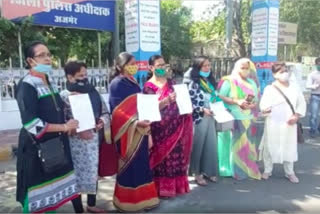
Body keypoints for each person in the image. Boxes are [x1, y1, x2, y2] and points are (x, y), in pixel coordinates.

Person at [15, 41, 79, 213]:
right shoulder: (26, 85)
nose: (48, 59)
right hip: (36, 149)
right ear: (30, 61)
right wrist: (65, 127)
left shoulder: (49, 82)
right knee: (37, 195)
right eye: (41, 55)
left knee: (52, 194)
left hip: (56, 146)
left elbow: (56, 109)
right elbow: (32, 125)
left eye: (49, 54)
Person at [109, 52, 159, 212]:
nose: (134, 66)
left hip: (141, 130)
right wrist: (135, 122)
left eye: (135, 62)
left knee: (142, 165)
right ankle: (127, 202)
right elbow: (117, 112)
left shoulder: (133, 82)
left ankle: (145, 200)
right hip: (128, 131)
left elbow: (140, 104)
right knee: (130, 166)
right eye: (130, 63)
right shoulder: (117, 84)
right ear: (119, 66)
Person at [60, 61, 110, 213]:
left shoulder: (93, 92)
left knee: (92, 172)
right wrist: (77, 130)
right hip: (75, 143)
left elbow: (106, 112)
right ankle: (78, 209)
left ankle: (91, 204)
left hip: (93, 141)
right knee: (76, 175)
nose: (84, 78)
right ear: (70, 77)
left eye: (85, 75)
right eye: (80, 76)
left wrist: (101, 121)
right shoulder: (63, 96)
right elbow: (61, 121)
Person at [143, 55, 193, 197]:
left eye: (163, 65)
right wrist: (165, 101)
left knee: (176, 157)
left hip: (176, 127)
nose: (162, 68)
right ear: (151, 68)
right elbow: (148, 109)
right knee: (162, 160)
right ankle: (161, 189)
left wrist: (186, 106)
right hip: (159, 130)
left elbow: (182, 101)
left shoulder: (172, 82)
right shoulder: (148, 87)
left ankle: (176, 187)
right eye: (158, 65)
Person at [259, 62, 306, 183]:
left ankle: (290, 172)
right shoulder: (270, 89)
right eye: (281, 72)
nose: (285, 74)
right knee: (269, 146)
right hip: (273, 122)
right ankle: (267, 170)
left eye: (286, 71)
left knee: (289, 146)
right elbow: (263, 105)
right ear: (275, 75)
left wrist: (296, 115)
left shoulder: (294, 88)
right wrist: (267, 109)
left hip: (289, 123)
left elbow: (301, 104)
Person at [217, 58, 261, 180]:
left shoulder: (252, 83)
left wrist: (251, 105)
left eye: (247, 68)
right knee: (232, 145)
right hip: (233, 118)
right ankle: (230, 169)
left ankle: (245, 167)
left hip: (249, 118)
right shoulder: (228, 81)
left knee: (248, 145)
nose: (245, 70)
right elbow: (220, 96)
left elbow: (256, 99)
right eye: (242, 67)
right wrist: (236, 101)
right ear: (236, 67)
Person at [183, 56, 219, 186]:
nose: (208, 68)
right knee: (198, 146)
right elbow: (187, 103)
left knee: (211, 144)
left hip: (212, 116)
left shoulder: (210, 81)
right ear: (197, 68)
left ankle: (208, 171)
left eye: (209, 65)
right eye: (204, 66)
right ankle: (196, 173)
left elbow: (215, 97)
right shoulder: (192, 83)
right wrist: (202, 109)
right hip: (199, 118)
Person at [306, 57, 320, 138]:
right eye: (319, 64)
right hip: (315, 95)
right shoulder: (312, 74)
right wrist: (315, 86)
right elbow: (307, 85)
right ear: (316, 64)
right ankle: (312, 130)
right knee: (314, 115)